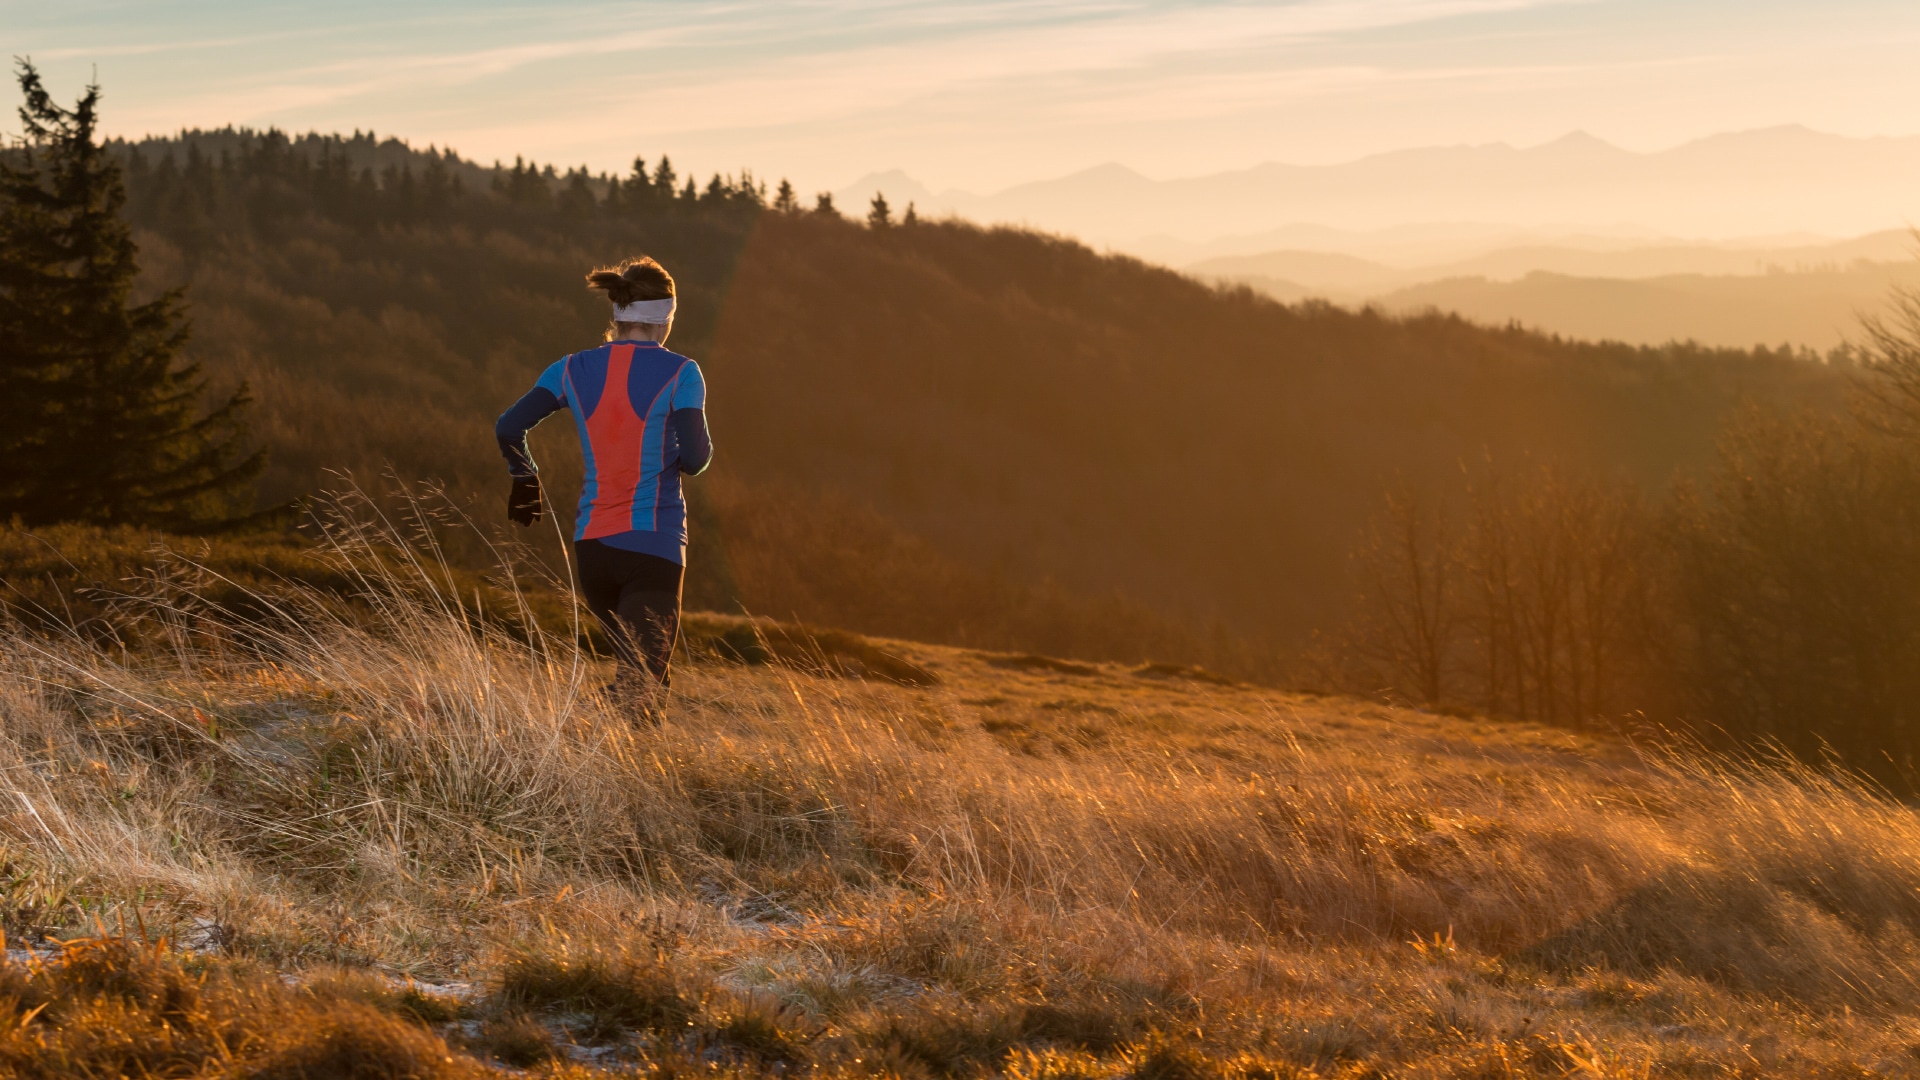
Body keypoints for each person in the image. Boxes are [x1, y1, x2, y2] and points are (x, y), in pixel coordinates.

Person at [494, 256, 712, 716]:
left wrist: (524, 476)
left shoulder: (570, 369)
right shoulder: (683, 373)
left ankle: (637, 786)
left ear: (617, 313)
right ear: (665, 319)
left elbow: (509, 427)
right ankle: (546, 734)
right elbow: (695, 461)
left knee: (647, 680)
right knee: (639, 688)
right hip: (653, 548)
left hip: (593, 551)